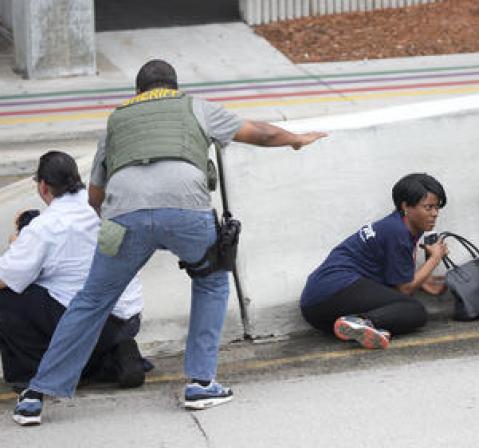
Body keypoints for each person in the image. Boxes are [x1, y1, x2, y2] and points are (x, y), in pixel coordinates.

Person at [12, 59, 326, 426]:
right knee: (210, 280)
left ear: (138, 92)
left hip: (124, 216)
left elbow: (95, 194)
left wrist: (115, 226)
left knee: (92, 300)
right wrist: (297, 140)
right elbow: (262, 133)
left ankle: (35, 395)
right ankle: (201, 383)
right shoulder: (196, 107)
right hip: (186, 213)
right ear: (174, 88)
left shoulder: (117, 120)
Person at [0, 151, 146, 393]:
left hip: (88, 323)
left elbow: (5, 279)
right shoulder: (102, 205)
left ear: (43, 186)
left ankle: (37, 375)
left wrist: (18, 243)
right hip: (127, 317)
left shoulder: (45, 226)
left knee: (7, 300)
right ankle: (113, 356)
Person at [300, 173, 449, 349]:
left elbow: (392, 276)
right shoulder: (397, 232)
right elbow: (405, 289)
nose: (434, 214)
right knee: (414, 310)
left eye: (437, 207)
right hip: (333, 290)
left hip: (318, 310)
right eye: (428, 207)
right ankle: (364, 322)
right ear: (406, 206)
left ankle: (362, 326)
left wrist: (422, 280)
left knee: (403, 308)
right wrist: (435, 258)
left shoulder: (398, 226)